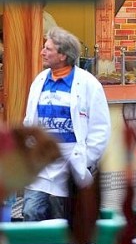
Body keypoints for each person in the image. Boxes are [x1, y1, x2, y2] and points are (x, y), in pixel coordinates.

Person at [23, 27, 111, 221]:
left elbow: (100, 127)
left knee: (61, 219)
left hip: (71, 165)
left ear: (62, 55)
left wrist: (86, 160)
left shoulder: (89, 84)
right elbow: (30, 121)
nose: (42, 52)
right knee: (31, 212)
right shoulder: (39, 81)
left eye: (48, 48)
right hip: (41, 165)